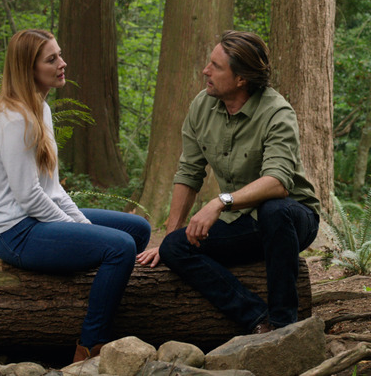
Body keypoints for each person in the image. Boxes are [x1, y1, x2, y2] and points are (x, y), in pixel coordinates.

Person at [0, 29, 151, 362]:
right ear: (28, 69)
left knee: (139, 230)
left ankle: (95, 289)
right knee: (120, 247)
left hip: (37, 222)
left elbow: (52, 187)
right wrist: (84, 232)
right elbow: (28, 197)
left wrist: (81, 224)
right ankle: (90, 347)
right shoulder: (14, 119)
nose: (63, 63)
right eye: (52, 59)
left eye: (59, 55)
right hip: (16, 232)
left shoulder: (39, 110)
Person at [137, 30, 320, 335]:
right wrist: (170, 237)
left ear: (241, 79)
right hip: (243, 224)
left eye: (216, 66)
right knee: (175, 248)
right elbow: (189, 171)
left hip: (292, 219)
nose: (205, 71)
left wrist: (220, 202)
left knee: (275, 210)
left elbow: (277, 182)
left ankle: (286, 323)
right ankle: (258, 319)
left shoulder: (277, 113)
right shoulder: (202, 105)